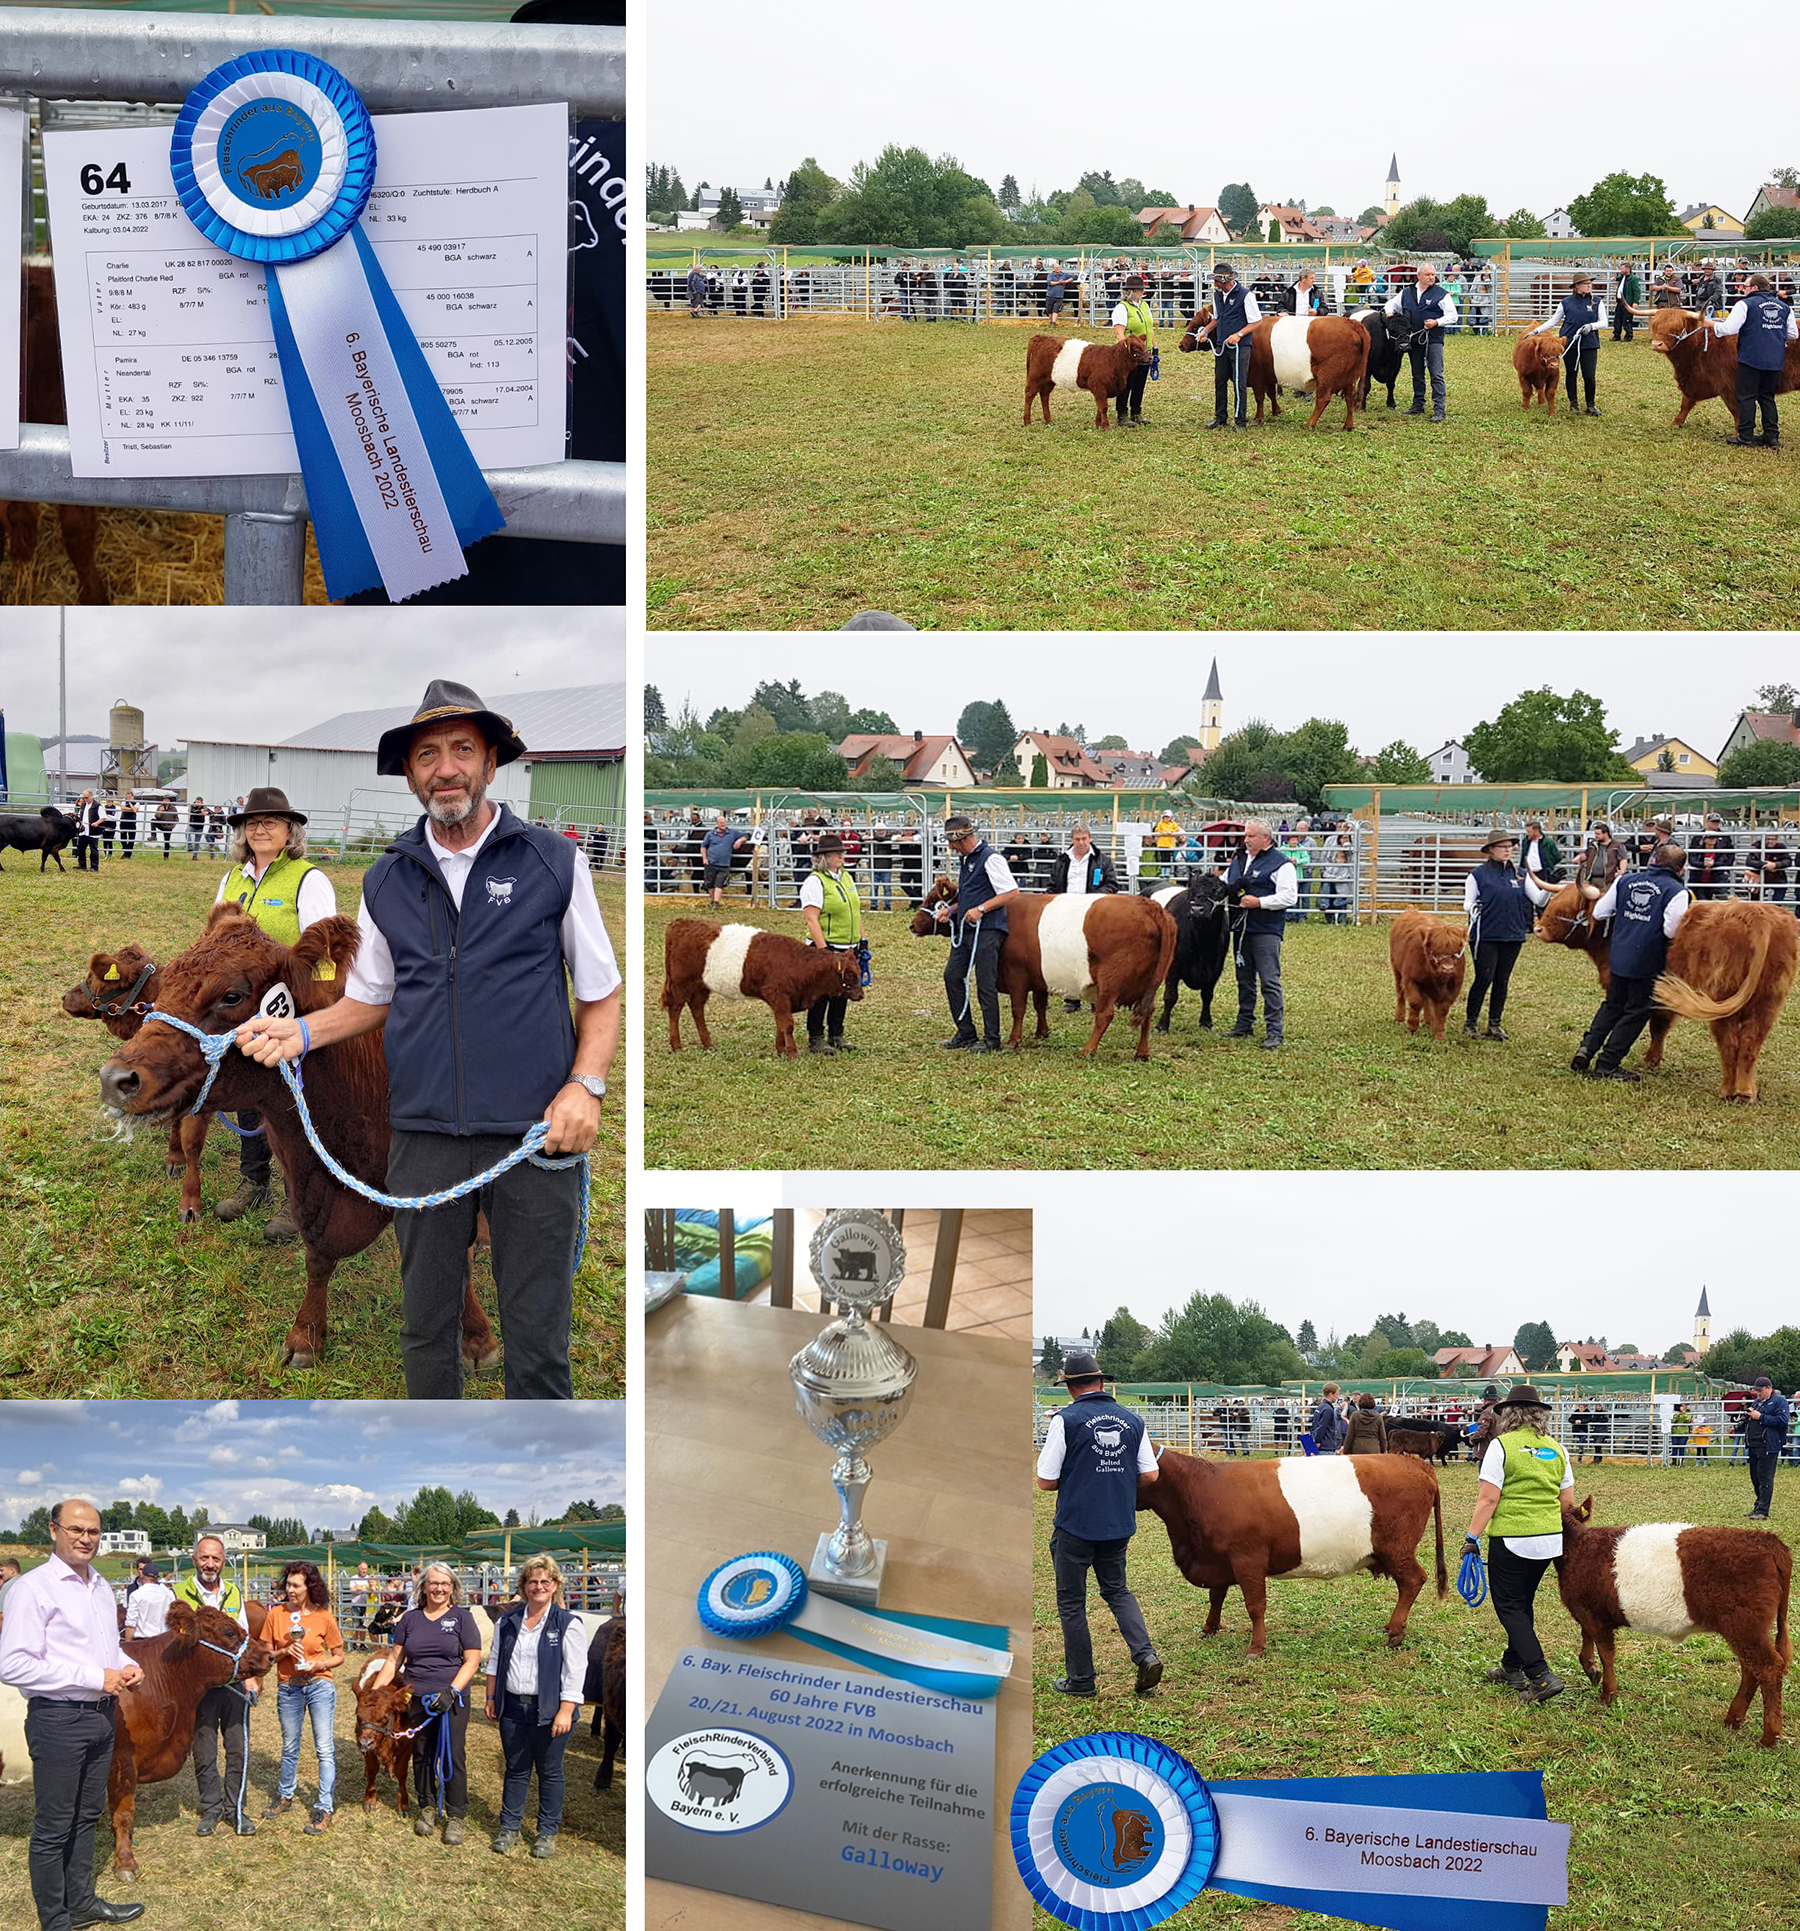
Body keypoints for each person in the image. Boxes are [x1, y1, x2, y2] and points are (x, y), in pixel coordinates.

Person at [237, 681, 622, 1400]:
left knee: (536, 1334)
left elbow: (599, 992)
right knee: (425, 1327)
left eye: (462, 750)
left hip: (535, 1135)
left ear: (490, 763)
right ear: (411, 774)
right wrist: (301, 1030)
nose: (446, 768)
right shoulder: (386, 878)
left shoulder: (553, 861)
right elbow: (371, 998)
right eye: (428, 755)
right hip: (420, 1136)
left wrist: (585, 1085)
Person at [0, 1497, 147, 1931]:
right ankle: (55, 1919)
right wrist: (92, 1676)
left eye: (93, 1531)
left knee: (86, 1815)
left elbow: (104, 1648)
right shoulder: (33, 1588)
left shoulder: (99, 1585)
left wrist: (122, 1665)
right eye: (76, 1529)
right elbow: (13, 1664)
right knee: (53, 1825)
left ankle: (81, 1901)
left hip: (101, 1715)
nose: (85, 1538)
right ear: (53, 1530)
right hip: (59, 1719)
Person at [209, 787, 339, 1243]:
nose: (259, 828)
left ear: (290, 831)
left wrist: (316, 1008)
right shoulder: (232, 880)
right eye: (252, 822)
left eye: (271, 822)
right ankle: (254, 1179)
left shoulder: (308, 879)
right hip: (241, 1011)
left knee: (292, 1103)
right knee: (247, 1093)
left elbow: (323, 950)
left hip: (290, 1012)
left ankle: (295, 1193)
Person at [1035, 1352, 1162, 1699]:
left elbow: (1045, 1481)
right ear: (1102, 1382)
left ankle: (1081, 1679)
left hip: (1075, 1526)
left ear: (1071, 1387)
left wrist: (1082, 1473)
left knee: (1072, 1603)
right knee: (1117, 1591)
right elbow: (1151, 1474)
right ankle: (1145, 1655)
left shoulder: (1066, 1420)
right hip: (1117, 1524)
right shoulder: (1133, 1420)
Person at [1464, 1386, 1575, 1705]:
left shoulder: (1501, 1446)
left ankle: (1540, 1676)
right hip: (1550, 1541)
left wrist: (1471, 1537)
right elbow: (1566, 1502)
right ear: (1541, 1415)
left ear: (1508, 1414)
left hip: (1512, 1539)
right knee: (1522, 1603)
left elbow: (1488, 1498)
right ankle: (1511, 1666)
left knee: (1509, 1606)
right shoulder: (1557, 1449)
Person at [370, 1561, 483, 1843]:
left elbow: (472, 1660)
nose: (439, 1588)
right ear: (423, 1586)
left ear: (453, 1587)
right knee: (421, 1753)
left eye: (445, 1583)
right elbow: (395, 1659)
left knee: (453, 1754)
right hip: (418, 1697)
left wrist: (452, 1691)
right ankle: (428, 1807)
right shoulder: (410, 1619)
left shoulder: (462, 1618)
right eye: (433, 1583)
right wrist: (373, 1694)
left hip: (452, 1698)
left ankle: (456, 1815)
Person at [486, 1554, 586, 1857]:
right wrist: (491, 1698)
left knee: (550, 1770)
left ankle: (546, 1831)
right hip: (514, 1707)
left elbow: (575, 1670)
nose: (539, 1586)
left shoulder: (568, 1624)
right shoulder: (507, 1621)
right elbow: (493, 1662)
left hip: (551, 1710)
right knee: (516, 1769)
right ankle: (510, 1827)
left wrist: (566, 1710)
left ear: (555, 1585)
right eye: (532, 1581)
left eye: (545, 1581)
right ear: (524, 1586)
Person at [1571, 840, 1690, 1081]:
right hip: (1648, 960)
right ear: (1680, 870)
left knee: (1612, 1004)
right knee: (1636, 1012)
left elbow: (1600, 912)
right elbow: (1670, 930)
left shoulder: (1625, 880)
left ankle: (1586, 1048)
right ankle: (1608, 1063)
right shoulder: (1677, 891)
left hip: (1619, 955)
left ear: (1654, 860)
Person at [177, 1533, 260, 1838]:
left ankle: (236, 1809)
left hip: (234, 1683)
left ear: (224, 1562)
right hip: (201, 1687)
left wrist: (249, 1675)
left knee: (238, 1747)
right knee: (205, 1748)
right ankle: (211, 1808)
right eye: (204, 1557)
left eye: (216, 1558)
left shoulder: (234, 1593)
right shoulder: (178, 1593)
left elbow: (244, 1638)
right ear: (194, 1558)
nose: (209, 1564)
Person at [260, 1561, 343, 1835]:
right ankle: (285, 1796)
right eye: (288, 1584)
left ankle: (324, 1807)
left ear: (310, 1587)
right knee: (289, 1746)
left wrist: (320, 1666)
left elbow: (339, 1655)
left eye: (296, 1585)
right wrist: (285, 1651)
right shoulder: (276, 1615)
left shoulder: (324, 1617)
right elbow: (266, 1655)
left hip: (319, 1684)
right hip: (288, 1687)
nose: (290, 1589)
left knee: (324, 1748)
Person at [934, 813, 1018, 1053]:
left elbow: (1011, 892)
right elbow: (971, 895)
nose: (950, 847)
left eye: (951, 842)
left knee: (985, 984)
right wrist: (951, 910)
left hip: (988, 930)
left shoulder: (991, 859)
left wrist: (981, 910)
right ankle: (966, 1032)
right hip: (966, 930)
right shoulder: (967, 860)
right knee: (952, 976)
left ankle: (992, 1039)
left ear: (961, 838)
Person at [1463, 830, 1546, 1041]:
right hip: (1486, 935)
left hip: (1513, 934)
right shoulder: (1478, 875)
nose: (1507, 849)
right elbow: (1468, 902)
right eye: (1502, 846)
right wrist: (1473, 908)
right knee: (1484, 978)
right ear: (1491, 850)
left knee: (1502, 980)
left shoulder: (1520, 875)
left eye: (1510, 846)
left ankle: (1495, 1024)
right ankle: (1470, 1022)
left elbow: (1539, 899)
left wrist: (1549, 886)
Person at [1224, 820, 1297, 1049]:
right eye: (1246, 836)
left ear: (1266, 838)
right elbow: (1225, 882)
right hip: (1241, 928)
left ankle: (1275, 1031)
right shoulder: (1240, 859)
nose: (1246, 840)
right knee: (1244, 979)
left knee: (1269, 980)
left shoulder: (1281, 864)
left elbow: (1289, 897)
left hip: (1266, 930)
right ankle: (1244, 1023)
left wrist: (1259, 902)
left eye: (1251, 836)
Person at [1714, 272, 1796, 449]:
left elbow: (1730, 328)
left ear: (1755, 288)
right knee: (1767, 397)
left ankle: (1746, 436)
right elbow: (1793, 334)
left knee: (1746, 397)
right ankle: (1771, 436)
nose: (1743, 290)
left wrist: (1713, 326)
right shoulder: (1784, 307)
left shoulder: (1745, 304)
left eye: (1745, 286)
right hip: (1774, 359)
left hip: (1750, 358)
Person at [799, 830, 863, 1056]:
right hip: (827, 946)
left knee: (843, 990)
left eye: (842, 852)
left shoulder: (845, 877)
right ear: (825, 857)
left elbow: (855, 910)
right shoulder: (815, 882)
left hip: (847, 946)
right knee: (821, 994)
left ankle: (836, 1033)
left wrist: (861, 940)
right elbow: (811, 918)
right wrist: (823, 949)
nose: (842, 856)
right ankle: (815, 1037)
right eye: (837, 853)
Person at [1194, 262, 1262, 429]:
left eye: (1217, 281)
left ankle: (1240, 420)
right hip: (1221, 345)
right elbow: (1217, 319)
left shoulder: (1246, 295)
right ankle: (1220, 417)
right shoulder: (1217, 295)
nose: (1215, 284)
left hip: (1241, 347)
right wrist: (1206, 331)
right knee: (1220, 381)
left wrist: (1239, 335)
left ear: (1226, 280)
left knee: (1239, 383)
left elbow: (1256, 322)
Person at [1385, 264, 1456, 422]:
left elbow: (1453, 316)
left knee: (1436, 373)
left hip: (1433, 339)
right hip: (1414, 339)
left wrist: (1437, 322)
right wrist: (1390, 314)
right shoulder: (1406, 292)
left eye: (1433, 274)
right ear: (1419, 276)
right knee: (1417, 373)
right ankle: (1418, 405)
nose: (1431, 277)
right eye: (1428, 274)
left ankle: (1439, 409)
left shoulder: (1441, 294)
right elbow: (1390, 304)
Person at [1529, 271, 1606, 415]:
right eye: (1585, 283)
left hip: (1589, 343)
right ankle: (1574, 404)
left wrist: (1591, 326)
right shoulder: (1566, 302)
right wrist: (1535, 331)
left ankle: (1591, 405)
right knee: (1572, 373)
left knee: (1589, 375)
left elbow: (1604, 322)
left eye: (1590, 283)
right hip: (1570, 342)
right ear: (1577, 286)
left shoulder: (1597, 301)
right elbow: (1553, 321)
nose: (1589, 286)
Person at [1109, 273, 1157, 426]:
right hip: (1131, 355)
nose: (1143, 292)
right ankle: (1122, 414)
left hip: (1144, 352)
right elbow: (1119, 332)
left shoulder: (1144, 305)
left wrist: (1154, 348)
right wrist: (1126, 350)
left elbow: (1150, 328)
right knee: (1126, 384)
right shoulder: (1122, 308)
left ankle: (1136, 412)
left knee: (1139, 384)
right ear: (1132, 292)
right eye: (1140, 290)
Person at [1741, 1376, 1790, 1519]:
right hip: (1754, 1445)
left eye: (1760, 1391)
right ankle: (1758, 1507)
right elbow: (1753, 1417)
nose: (1758, 1394)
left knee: (1765, 1478)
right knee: (1755, 1478)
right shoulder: (1757, 1402)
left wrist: (1760, 1417)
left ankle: (1763, 1511)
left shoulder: (1779, 1401)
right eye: (1756, 1391)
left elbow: (1782, 1420)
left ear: (1769, 1388)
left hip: (1768, 1445)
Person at [701, 812, 746, 908]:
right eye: (721, 822)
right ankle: (713, 901)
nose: (723, 824)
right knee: (710, 884)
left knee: (719, 883)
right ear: (717, 823)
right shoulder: (710, 834)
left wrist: (740, 840)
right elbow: (703, 846)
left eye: (724, 822)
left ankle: (716, 903)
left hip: (724, 864)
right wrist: (704, 858)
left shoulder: (732, 833)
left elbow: (746, 835)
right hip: (711, 862)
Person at [122, 1563, 172, 1640]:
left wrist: (128, 1643)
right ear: (157, 1577)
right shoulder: (167, 1594)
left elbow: (131, 1624)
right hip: (162, 1641)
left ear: (143, 1575)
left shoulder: (136, 1595)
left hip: (142, 1642)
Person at [1520, 819, 1561, 885]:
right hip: (1527, 872)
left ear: (1536, 831)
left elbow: (1557, 857)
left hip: (1542, 873)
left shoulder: (1549, 842)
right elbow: (1523, 855)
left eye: (1529, 832)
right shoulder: (1525, 841)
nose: (1527, 834)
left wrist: (1549, 865)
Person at [1308, 1382, 1345, 1453]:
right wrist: (1318, 1440)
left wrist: (1314, 1438)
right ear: (1331, 1394)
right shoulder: (1328, 1409)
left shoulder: (1320, 1407)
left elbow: (1314, 1425)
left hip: (1320, 1445)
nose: (1337, 1397)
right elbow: (1322, 1426)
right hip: (1326, 1446)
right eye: (1337, 1394)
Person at [1614, 262, 1642, 341]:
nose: (1621, 270)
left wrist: (1636, 301)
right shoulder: (1623, 277)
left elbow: (1636, 291)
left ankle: (1628, 335)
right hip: (1620, 301)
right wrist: (1616, 278)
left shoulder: (1633, 279)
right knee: (1617, 319)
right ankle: (1616, 335)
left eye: (1622, 269)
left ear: (1627, 269)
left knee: (1627, 319)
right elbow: (1620, 278)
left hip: (1627, 302)